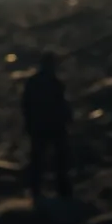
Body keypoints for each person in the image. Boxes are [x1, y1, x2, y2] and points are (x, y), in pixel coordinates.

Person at [21, 52, 72, 199]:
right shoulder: (55, 83)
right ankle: (62, 190)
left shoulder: (33, 82)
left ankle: (36, 189)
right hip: (53, 126)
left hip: (40, 126)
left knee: (39, 158)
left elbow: (26, 106)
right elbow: (62, 105)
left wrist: (28, 124)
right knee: (59, 159)